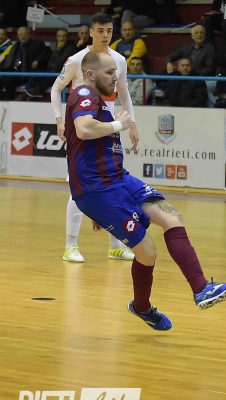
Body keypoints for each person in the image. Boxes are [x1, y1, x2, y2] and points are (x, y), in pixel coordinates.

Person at [64, 51, 226, 330]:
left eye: (116, 72)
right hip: (98, 190)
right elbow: (84, 130)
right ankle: (141, 307)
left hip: (119, 179)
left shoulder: (98, 100)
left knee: (171, 217)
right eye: (109, 72)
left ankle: (202, 289)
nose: (115, 77)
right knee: (147, 253)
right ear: (89, 74)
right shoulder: (84, 92)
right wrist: (120, 124)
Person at [51, 12, 138, 263]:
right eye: (100, 30)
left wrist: (132, 123)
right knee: (77, 188)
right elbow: (56, 89)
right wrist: (59, 119)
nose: (105, 35)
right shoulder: (76, 60)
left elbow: (124, 93)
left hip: (108, 129)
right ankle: (70, 246)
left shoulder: (119, 59)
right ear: (91, 32)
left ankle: (115, 246)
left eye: (109, 30)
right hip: (83, 129)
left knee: (113, 185)